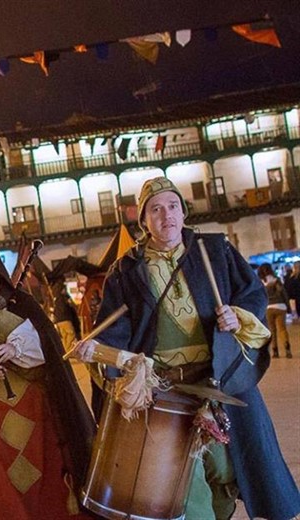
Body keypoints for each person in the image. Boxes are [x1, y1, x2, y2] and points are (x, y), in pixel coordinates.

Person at [69, 177, 300, 520]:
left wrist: (237, 318)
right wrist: (102, 357)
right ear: (144, 221)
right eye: (156, 209)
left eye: (173, 206)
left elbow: (252, 295)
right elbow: (115, 333)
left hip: (218, 382)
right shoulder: (127, 270)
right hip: (165, 392)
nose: (167, 216)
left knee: (227, 472)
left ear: (184, 212)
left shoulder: (215, 251)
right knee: (184, 482)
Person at [0, 247, 95, 519]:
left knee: (42, 466)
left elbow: (48, 347)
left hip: (33, 405)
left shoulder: (22, 304)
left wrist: (15, 349)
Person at [259, 263, 292, 358]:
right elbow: (284, 295)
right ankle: (287, 349)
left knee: (272, 330)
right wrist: (288, 308)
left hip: (269, 308)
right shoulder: (277, 280)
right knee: (282, 329)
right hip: (281, 307)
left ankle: (275, 351)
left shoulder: (261, 282)